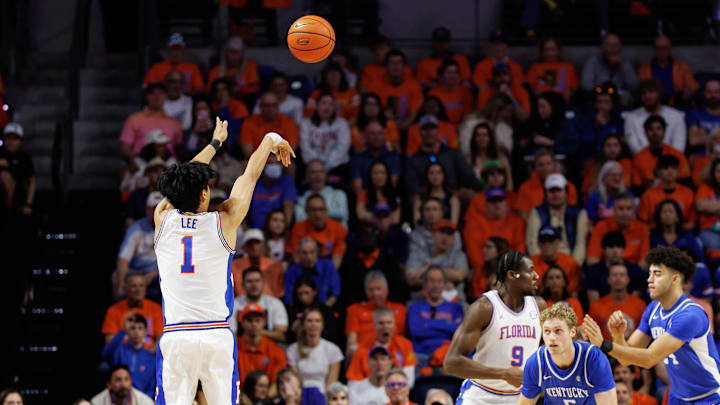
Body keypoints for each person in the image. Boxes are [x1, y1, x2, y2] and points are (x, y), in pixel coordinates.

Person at [153, 118, 294, 404]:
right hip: (216, 335)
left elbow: (183, 177)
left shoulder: (162, 218)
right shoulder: (224, 222)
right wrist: (270, 139)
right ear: (205, 194)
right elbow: (248, 177)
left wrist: (213, 145)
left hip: (177, 336)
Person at [583, 246, 720, 405]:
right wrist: (618, 335)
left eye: (657, 274)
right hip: (678, 397)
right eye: (649, 273)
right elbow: (627, 359)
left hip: (708, 396)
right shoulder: (653, 309)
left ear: (675, 279)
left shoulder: (690, 315)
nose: (649, 279)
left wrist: (603, 344)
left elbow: (649, 358)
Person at [445, 252, 546, 405]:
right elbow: (451, 363)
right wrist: (503, 374)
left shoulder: (539, 306)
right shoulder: (484, 308)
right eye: (530, 270)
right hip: (481, 396)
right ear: (512, 275)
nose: (536, 276)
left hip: (519, 398)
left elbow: (547, 349)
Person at [517, 305, 617, 405]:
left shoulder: (593, 358)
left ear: (572, 332)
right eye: (547, 331)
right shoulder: (536, 363)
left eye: (558, 331)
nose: (551, 337)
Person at [405, 115, 481, 196]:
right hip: (426, 201)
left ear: (438, 130)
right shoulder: (413, 160)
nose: (429, 132)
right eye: (425, 129)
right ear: (419, 132)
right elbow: (412, 188)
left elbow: (468, 178)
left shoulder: (453, 154)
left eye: (432, 128)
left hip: (454, 197)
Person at [526, 174, 590, 265]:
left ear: (566, 192)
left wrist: (573, 265)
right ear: (545, 193)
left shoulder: (580, 214)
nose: (555, 194)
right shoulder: (536, 212)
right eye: (551, 191)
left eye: (558, 190)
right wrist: (541, 264)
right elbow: (532, 243)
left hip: (570, 260)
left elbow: (581, 244)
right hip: (544, 261)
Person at [346, 308, 417, 387]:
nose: (385, 326)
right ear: (374, 325)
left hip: (396, 390)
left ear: (394, 325)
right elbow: (353, 382)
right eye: (381, 323)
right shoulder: (362, 348)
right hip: (369, 391)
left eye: (389, 322)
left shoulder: (405, 344)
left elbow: (409, 380)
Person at [112, 192, 164, 299]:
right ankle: (120, 312)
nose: (158, 212)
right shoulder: (136, 228)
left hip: (160, 272)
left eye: (161, 209)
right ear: (147, 210)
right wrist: (122, 282)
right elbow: (123, 259)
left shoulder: (172, 228)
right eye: (154, 208)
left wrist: (153, 274)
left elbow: (176, 261)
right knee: (116, 276)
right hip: (137, 271)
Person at [339, 226, 406, 306]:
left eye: (371, 235)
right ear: (358, 239)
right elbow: (345, 292)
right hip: (357, 309)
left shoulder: (389, 261)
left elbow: (397, 290)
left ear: (377, 238)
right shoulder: (349, 262)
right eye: (364, 235)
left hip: (386, 309)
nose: (368, 238)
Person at [120, 83, 184, 165]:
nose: (157, 97)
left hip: (168, 165)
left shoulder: (174, 122)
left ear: (166, 96)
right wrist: (132, 164)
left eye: (160, 93)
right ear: (146, 96)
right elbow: (125, 148)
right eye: (152, 93)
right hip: (141, 165)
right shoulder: (134, 119)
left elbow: (179, 149)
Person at [407, 267, 464, 359]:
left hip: (448, 354)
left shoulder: (455, 307)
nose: (436, 285)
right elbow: (416, 331)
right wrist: (447, 325)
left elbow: (458, 332)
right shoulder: (415, 308)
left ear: (444, 284)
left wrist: (427, 324)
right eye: (432, 281)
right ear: (424, 284)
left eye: (439, 281)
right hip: (422, 355)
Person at [406, 221, 469, 303]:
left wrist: (426, 271)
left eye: (449, 234)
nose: (445, 237)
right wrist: (444, 279)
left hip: (454, 304)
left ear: (454, 238)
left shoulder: (458, 255)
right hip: (421, 303)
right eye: (442, 232)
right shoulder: (419, 253)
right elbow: (410, 279)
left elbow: (459, 275)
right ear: (433, 235)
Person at [463, 188, 526, 270]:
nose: (497, 204)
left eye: (500, 201)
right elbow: (474, 251)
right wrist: (486, 270)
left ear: (506, 203)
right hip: (483, 271)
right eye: (493, 201)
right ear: (485, 205)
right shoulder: (474, 222)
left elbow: (520, 248)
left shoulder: (516, 221)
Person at [345, 271, 408, 353]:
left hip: (392, 354)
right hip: (363, 354)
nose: (375, 293)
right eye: (371, 289)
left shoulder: (400, 309)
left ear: (387, 290)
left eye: (378, 289)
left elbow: (402, 337)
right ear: (365, 291)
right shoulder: (355, 309)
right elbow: (351, 342)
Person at [286, 308, 344, 393]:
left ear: (323, 325)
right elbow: (295, 381)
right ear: (303, 324)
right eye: (309, 321)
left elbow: (332, 383)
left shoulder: (333, 350)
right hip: (300, 395)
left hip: (324, 396)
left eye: (317, 321)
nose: (313, 324)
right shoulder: (292, 350)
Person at [587, 193, 650, 267]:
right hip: (607, 270)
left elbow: (644, 261)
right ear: (613, 210)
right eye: (620, 208)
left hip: (633, 271)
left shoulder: (642, 228)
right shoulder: (601, 226)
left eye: (628, 209)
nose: (624, 213)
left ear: (634, 211)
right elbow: (592, 260)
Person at [625, 79, 686, 155]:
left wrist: (666, 162)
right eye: (644, 93)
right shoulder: (631, 118)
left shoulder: (676, 116)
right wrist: (649, 160)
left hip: (671, 162)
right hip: (642, 162)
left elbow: (679, 146)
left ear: (659, 93)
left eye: (651, 91)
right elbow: (632, 145)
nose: (647, 96)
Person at [366, 49, 423, 130]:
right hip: (381, 128)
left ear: (404, 66)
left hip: (405, 128)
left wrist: (397, 129)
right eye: (392, 62)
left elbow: (413, 115)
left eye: (399, 62)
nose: (396, 66)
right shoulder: (375, 85)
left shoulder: (414, 85)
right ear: (386, 66)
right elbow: (370, 112)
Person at [101, 314, 156, 398]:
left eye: (140, 328)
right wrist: (123, 331)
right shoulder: (120, 349)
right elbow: (105, 354)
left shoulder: (151, 358)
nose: (136, 332)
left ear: (145, 332)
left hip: (141, 400)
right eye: (132, 328)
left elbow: (152, 386)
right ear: (127, 331)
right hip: (119, 396)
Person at [585, 231, 648, 304]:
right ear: (604, 250)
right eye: (611, 247)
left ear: (623, 249)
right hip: (602, 312)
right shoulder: (593, 272)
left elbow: (635, 304)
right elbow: (594, 304)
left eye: (618, 247)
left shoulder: (636, 271)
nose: (615, 251)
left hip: (629, 312)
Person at [516, 149, 579, 221]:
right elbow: (523, 215)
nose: (545, 168)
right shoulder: (525, 188)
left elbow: (572, 212)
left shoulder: (568, 186)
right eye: (541, 164)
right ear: (535, 167)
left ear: (554, 165)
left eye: (548, 163)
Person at [286, 195, 347, 268]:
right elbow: (296, 257)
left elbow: (337, 259)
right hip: (305, 268)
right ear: (306, 211)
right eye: (313, 210)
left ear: (326, 210)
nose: (317, 214)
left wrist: (327, 275)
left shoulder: (338, 228)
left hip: (328, 268)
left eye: (321, 209)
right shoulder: (298, 228)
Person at [631, 115, 691, 191]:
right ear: (645, 132)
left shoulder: (677, 155)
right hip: (650, 198)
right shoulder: (638, 158)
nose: (655, 132)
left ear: (664, 131)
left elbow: (686, 182)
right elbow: (637, 187)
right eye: (651, 129)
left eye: (658, 128)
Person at [588, 263, 647, 339]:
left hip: (632, 349)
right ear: (608, 280)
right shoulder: (596, 306)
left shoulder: (640, 305)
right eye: (614, 275)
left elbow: (644, 335)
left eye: (622, 275)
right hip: (603, 349)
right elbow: (591, 334)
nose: (618, 278)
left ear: (628, 279)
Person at [102, 272, 163, 343]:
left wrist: (146, 353)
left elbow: (161, 341)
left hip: (149, 353)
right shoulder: (113, 310)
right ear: (125, 289)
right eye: (134, 286)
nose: (138, 290)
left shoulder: (156, 308)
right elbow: (110, 344)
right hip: (123, 353)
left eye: (141, 286)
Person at [230, 267, 289, 342]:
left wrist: (254, 332)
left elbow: (281, 334)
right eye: (249, 281)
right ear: (242, 285)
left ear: (263, 283)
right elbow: (231, 334)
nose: (254, 285)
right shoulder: (233, 304)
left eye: (257, 281)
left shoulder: (275, 303)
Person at [636, 35, 698, 106]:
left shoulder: (683, 67)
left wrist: (689, 89)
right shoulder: (644, 69)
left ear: (670, 49)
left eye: (664, 48)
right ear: (654, 49)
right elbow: (640, 89)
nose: (661, 51)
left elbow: (691, 84)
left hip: (676, 104)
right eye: (658, 48)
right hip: (652, 104)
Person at [236, 304, 288, 387]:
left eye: (257, 320)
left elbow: (277, 384)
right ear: (242, 323)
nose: (253, 324)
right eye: (249, 320)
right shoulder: (233, 348)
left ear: (264, 323)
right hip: (239, 397)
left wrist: (265, 399)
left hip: (267, 397)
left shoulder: (275, 350)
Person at [299, 92, 352, 175]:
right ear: (316, 106)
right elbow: (305, 148)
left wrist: (326, 167)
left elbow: (342, 149)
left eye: (331, 104)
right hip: (311, 166)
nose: (327, 107)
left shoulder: (342, 123)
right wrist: (317, 167)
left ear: (334, 108)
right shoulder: (306, 124)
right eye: (323, 103)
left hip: (337, 166)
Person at [637, 155, 695, 228]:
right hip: (655, 235)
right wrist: (663, 228)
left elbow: (692, 223)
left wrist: (674, 230)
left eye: (673, 168)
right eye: (665, 168)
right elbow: (642, 225)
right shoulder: (648, 195)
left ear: (678, 171)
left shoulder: (688, 193)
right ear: (658, 172)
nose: (670, 171)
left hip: (681, 234)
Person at [580, 33, 637, 105]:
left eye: (616, 45)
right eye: (609, 45)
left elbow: (634, 86)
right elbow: (586, 85)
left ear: (620, 47)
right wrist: (602, 91)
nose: (613, 48)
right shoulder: (593, 62)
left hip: (619, 98)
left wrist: (622, 66)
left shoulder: (625, 63)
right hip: (598, 95)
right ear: (602, 47)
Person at [283, 238, 341, 307]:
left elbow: (335, 294)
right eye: (305, 253)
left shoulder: (328, 266)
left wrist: (322, 311)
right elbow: (289, 299)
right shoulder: (291, 272)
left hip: (325, 309)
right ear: (298, 254)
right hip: (300, 312)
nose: (309, 256)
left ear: (317, 252)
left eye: (312, 252)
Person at [241, 92, 300, 158]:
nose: (270, 109)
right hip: (257, 161)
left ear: (278, 106)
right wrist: (267, 159)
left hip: (281, 161)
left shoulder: (289, 122)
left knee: (290, 166)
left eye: (274, 105)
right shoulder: (249, 123)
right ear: (260, 106)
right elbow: (247, 152)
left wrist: (275, 158)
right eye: (267, 105)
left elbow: (291, 148)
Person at [578, 84, 625, 163]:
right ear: (595, 104)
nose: (603, 106)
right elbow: (585, 144)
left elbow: (620, 143)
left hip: (616, 160)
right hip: (593, 160)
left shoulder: (618, 121)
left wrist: (605, 126)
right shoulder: (587, 120)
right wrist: (595, 125)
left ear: (612, 104)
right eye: (599, 102)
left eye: (606, 102)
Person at [247, 154, 297, 229]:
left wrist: (285, 229)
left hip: (277, 230)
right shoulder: (252, 184)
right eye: (270, 163)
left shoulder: (287, 182)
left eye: (278, 164)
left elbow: (289, 205)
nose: (275, 167)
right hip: (255, 230)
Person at [350, 120, 402, 192]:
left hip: (389, 199)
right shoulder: (357, 160)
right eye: (372, 133)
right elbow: (358, 188)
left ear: (384, 136)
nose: (377, 137)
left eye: (380, 133)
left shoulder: (394, 158)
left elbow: (392, 185)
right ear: (365, 137)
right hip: (365, 200)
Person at [232, 229, 286, 298]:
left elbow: (280, 292)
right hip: (242, 304)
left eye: (257, 242)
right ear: (244, 247)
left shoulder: (275, 266)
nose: (254, 246)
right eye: (250, 243)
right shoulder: (234, 266)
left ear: (263, 245)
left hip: (270, 305)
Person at [296, 160, 349, 228]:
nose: (317, 175)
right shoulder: (301, 199)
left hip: (337, 236)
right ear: (307, 176)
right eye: (313, 172)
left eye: (321, 172)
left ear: (326, 175)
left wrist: (312, 214)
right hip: (310, 236)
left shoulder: (339, 194)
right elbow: (300, 220)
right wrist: (327, 215)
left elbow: (341, 214)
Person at [287, 276, 339, 345]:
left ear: (315, 292)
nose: (303, 297)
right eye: (300, 294)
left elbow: (332, 335)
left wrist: (314, 329)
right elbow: (287, 338)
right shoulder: (293, 311)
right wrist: (293, 330)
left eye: (306, 293)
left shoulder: (326, 311)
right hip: (299, 347)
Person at [530, 226, 582, 294]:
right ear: (538, 244)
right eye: (543, 241)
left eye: (550, 241)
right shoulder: (530, 264)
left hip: (564, 301)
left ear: (557, 242)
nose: (547, 245)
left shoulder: (571, 263)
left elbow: (574, 292)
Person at [206, 37, 260, 101]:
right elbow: (208, 91)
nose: (234, 56)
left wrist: (240, 89)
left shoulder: (250, 67)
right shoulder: (215, 71)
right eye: (231, 52)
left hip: (243, 102)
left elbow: (255, 88)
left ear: (242, 53)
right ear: (225, 53)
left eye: (237, 52)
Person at [357, 161, 402, 233]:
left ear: (387, 175)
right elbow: (360, 214)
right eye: (376, 173)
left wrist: (384, 222)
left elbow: (396, 219)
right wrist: (376, 220)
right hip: (369, 232)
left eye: (383, 173)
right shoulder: (363, 193)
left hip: (390, 231)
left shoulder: (394, 194)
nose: (379, 176)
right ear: (370, 175)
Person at [0, 123, 35, 214]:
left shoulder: (24, 158)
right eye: (8, 138)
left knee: (5, 176)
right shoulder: (1, 153)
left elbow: (32, 182)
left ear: (21, 141)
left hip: (18, 197)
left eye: (15, 138)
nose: (11, 142)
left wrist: (28, 204)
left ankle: (8, 212)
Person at [466, 123, 513, 190]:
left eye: (485, 135)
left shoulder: (502, 159)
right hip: (476, 197)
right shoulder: (468, 160)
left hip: (499, 196)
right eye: (478, 135)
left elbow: (509, 184)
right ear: (474, 139)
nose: (481, 138)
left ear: (490, 138)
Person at [427, 60, 474, 124]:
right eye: (449, 72)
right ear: (441, 75)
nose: (453, 76)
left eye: (456, 72)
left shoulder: (465, 92)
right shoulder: (433, 94)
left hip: (461, 127)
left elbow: (467, 116)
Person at [210, 78, 250, 151]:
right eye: (218, 91)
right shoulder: (211, 106)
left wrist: (224, 108)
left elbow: (234, 130)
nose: (221, 93)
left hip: (234, 144)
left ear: (229, 91)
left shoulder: (239, 106)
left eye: (224, 90)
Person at [686, 80, 720, 152]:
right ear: (704, 93)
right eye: (709, 92)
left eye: (717, 92)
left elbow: (698, 139)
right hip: (702, 157)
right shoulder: (694, 114)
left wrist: (705, 136)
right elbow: (693, 141)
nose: (713, 95)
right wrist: (717, 136)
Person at [695, 158, 720, 251]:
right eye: (718, 171)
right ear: (713, 173)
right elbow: (701, 206)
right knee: (714, 247)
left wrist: (711, 206)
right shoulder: (705, 188)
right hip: (709, 230)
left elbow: (706, 206)